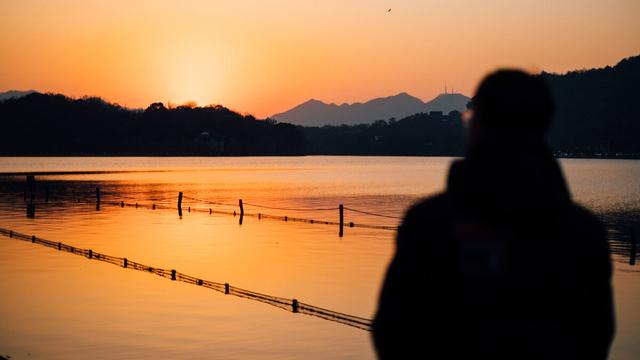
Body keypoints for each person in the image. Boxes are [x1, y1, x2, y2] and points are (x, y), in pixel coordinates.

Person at [372, 70, 615, 359]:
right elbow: (596, 336)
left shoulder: (431, 223)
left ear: (478, 127)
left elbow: (393, 332)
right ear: (543, 128)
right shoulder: (582, 233)